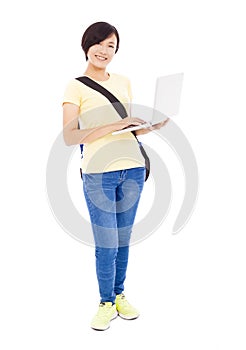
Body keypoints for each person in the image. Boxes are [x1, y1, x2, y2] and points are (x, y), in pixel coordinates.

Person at [62, 21, 169, 331]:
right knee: (106, 242)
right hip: (98, 173)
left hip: (132, 167)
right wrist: (115, 126)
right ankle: (105, 302)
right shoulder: (75, 85)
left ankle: (120, 294)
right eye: (100, 43)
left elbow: (127, 131)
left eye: (111, 46)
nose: (104, 50)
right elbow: (70, 137)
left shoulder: (123, 82)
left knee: (123, 239)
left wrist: (148, 127)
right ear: (87, 45)